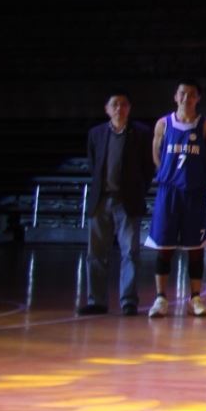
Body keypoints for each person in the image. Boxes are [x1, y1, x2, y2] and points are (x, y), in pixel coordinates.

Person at [146, 80, 206, 319]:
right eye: (183, 93)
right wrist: (167, 173)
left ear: (198, 98)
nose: (187, 98)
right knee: (163, 246)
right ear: (176, 96)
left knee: (196, 248)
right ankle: (160, 298)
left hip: (194, 192)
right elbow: (156, 153)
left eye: (192, 94)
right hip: (169, 192)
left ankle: (195, 298)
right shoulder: (163, 124)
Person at [80, 92, 152, 315]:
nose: (119, 108)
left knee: (130, 252)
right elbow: (93, 164)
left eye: (123, 104)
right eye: (114, 104)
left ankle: (128, 301)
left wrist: (138, 190)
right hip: (101, 199)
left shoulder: (141, 133)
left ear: (129, 108)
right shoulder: (96, 134)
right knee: (95, 254)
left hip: (127, 200)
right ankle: (96, 301)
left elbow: (148, 167)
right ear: (107, 109)